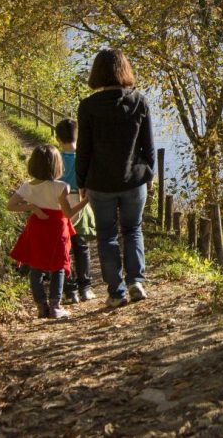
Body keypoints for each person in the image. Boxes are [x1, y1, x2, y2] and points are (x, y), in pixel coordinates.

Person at [76, 49, 156, 308]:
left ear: (97, 73)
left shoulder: (88, 107)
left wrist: (81, 182)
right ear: (125, 70)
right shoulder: (139, 101)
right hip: (134, 179)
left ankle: (116, 292)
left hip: (100, 182)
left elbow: (84, 149)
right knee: (133, 230)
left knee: (107, 235)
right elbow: (149, 146)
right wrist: (150, 174)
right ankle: (136, 282)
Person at [7, 145, 85, 319]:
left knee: (36, 266)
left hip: (36, 227)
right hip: (57, 228)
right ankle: (55, 306)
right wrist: (86, 201)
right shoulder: (61, 187)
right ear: (56, 166)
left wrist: (32, 207)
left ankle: (41, 306)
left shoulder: (27, 187)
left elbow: (10, 205)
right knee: (58, 266)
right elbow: (69, 213)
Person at [55, 119, 96, 304]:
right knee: (81, 246)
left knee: (64, 248)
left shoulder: (56, 158)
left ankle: (69, 291)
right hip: (81, 201)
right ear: (76, 135)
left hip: (60, 205)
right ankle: (85, 288)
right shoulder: (84, 156)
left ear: (58, 137)